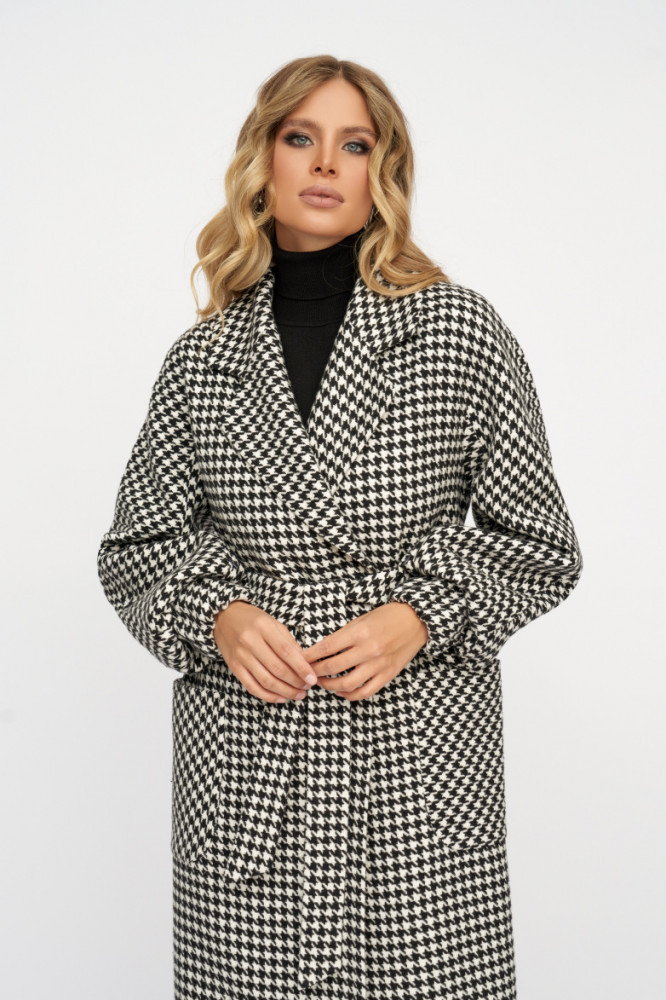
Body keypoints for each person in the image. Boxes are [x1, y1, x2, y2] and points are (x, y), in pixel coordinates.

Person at [97, 54, 583, 1000]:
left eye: (354, 145)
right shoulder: (202, 361)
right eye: (301, 137)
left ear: (380, 173)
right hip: (250, 774)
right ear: (265, 161)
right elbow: (137, 551)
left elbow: (540, 545)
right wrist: (220, 618)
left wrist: (420, 617)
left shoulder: (457, 332)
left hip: (415, 772)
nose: (325, 163)